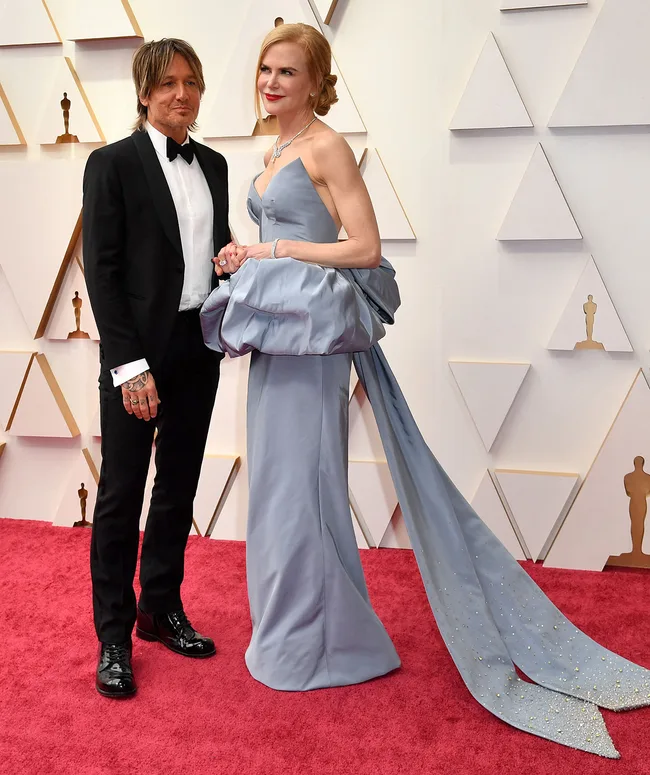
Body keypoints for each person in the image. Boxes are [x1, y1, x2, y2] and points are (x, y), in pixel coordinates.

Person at [201, 22, 650, 758]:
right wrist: (242, 253)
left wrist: (273, 247)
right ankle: (299, 635)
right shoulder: (275, 152)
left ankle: (322, 644)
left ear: (315, 82)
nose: (272, 82)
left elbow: (365, 247)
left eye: (287, 72)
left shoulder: (325, 146)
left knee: (304, 487)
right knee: (277, 487)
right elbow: (286, 238)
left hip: (314, 346)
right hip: (277, 342)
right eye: (265, 70)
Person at [83, 38, 230, 698]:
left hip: (198, 345)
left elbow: (214, 251)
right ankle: (112, 635)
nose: (181, 93)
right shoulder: (110, 164)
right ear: (144, 92)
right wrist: (128, 364)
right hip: (136, 354)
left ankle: (158, 609)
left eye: (191, 82)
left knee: (177, 485)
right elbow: (103, 272)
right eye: (167, 82)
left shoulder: (218, 164)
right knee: (120, 495)